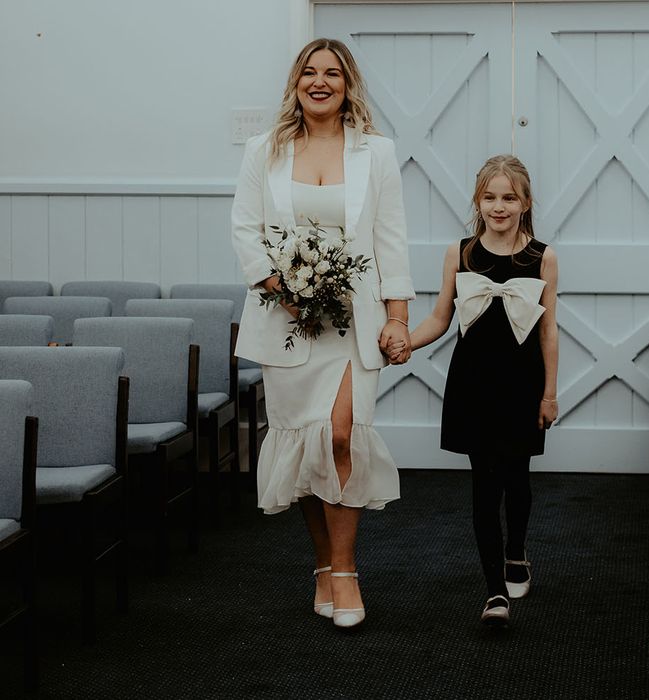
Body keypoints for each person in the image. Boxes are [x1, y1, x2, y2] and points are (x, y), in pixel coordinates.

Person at [231, 38, 414, 629]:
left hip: (352, 321)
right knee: (302, 440)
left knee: (340, 434)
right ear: (296, 83)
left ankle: (346, 569)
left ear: (347, 84)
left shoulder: (377, 153)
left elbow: (391, 239)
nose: (320, 81)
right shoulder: (266, 149)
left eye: (331, 73)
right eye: (309, 72)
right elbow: (245, 228)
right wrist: (285, 289)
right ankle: (322, 564)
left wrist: (397, 316)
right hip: (286, 321)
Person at [389, 155, 558, 626]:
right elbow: (441, 318)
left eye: (509, 197)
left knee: (517, 479)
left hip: (522, 384)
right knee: (484, 485)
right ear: (477, 202)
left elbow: (549, 331)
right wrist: (405, 341)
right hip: (474, 383)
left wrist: (550, 392)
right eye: (489, 197)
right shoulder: (459, 253)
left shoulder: (542, 256)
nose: (498, 206)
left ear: (525, 202)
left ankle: (517, 551)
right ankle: (494, 594)